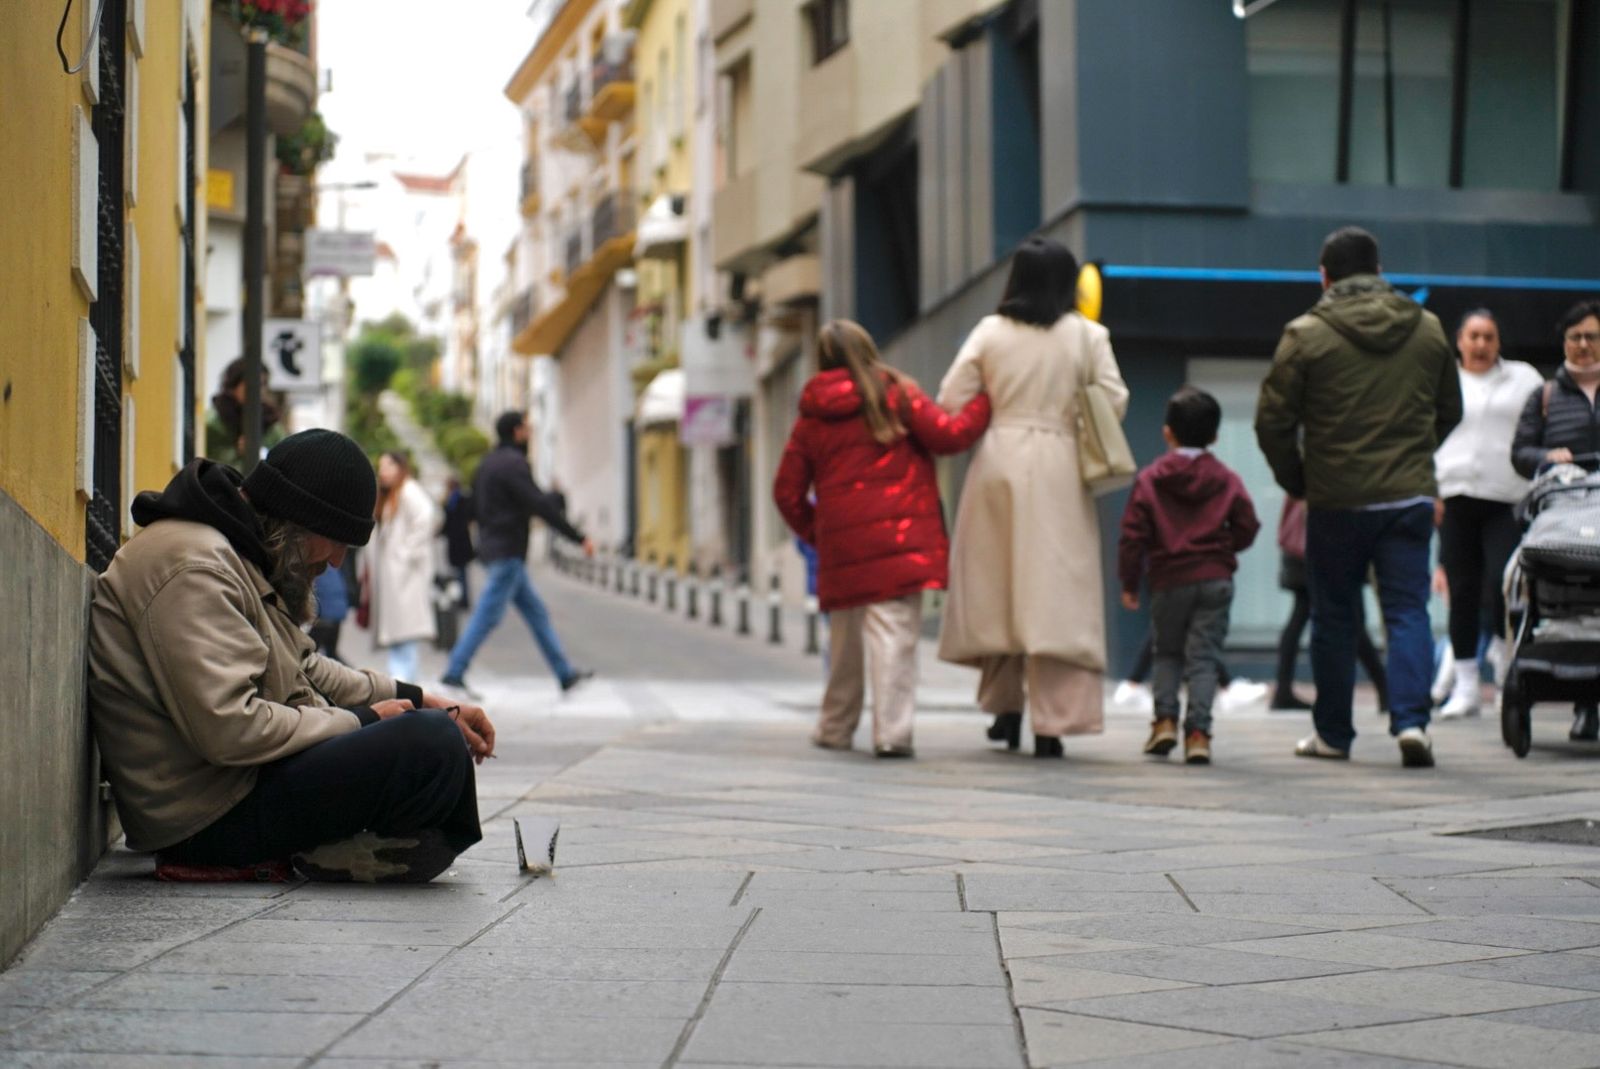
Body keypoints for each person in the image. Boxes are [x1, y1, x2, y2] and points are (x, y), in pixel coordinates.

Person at [87, 429, 495, 883]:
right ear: (300, 518)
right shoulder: (195, 566)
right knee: (430, 743)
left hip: (236, 789)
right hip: (205, 822)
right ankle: (331, 850)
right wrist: (361, 721)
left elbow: (306, 667)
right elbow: (229, 728)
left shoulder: (236, 554)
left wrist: (416, 697)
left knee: (435, 732)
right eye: (337, 539)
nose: (338, 561)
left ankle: (350, 846)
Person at [1255, 226, 1460, 768]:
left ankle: (1333, 735)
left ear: (1323, 276)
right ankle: (1413, 723)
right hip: (1407, 498)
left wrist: (1299, 479)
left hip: (1336, 500)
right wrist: (1414, 458)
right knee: (1407, 611)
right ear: (1379, 268)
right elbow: (1450, 411)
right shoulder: (1429, 329)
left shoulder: (1305, 334)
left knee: (1335, 616)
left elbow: (1273, 421)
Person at [937, 236, 1129, 758]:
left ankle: (1005, 709)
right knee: (1056, 594)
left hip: (999, 460)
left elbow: (951, 397)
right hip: (1061, 465)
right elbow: (1114, 400)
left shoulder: (990, 332)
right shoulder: (1087, 336)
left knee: (999, 588)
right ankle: (1053, 722)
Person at [773, 319, 991, 758]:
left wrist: (817, 532)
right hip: (900, 540)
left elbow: (786, 491)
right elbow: (950, 436)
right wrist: (986, 401)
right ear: (869, 350)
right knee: (893, 639)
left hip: (843, 547)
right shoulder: (899, 396)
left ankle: (835, 726)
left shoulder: (811, 416)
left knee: (845, 644)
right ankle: (891, 733)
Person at [1117, 387, 1260, 765]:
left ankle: (1164, 722)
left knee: (1167, 652)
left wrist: (1130, 582)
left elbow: (1133, 534)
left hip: (1167, 579)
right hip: (1215, 578)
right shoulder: (1225, 478)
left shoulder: (1151, 479)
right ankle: (1198, 733)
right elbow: (1248, 523)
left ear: (1168, 432)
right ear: (1214, 436)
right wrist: (1225, 550)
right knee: (1204, 658)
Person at [1433, 309, 1543, 719]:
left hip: (1506, 497)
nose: (1480, 344)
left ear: (1498, 343)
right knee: (1460, 592)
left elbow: (1539, 428)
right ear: (1459, 340)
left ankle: (1502, 655)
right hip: (1455, 495)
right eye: (1473, 336)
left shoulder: (1524, 378)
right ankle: (1464, 686)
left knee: (1502, 581)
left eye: (1488, 337)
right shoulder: (1443, 379)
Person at [441, 411, 594, 696]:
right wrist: (578, 536)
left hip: (494, 548)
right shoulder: (513, 465)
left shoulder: (487, 464)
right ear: (516, 431)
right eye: (526, 428)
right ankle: (454, 671)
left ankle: (565, 674)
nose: (531, 432)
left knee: (536, 613)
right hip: (507, 551)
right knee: (487, 614)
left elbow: (474, 508)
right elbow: (539, 504)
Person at [1509, 299, 1600, 740]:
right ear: (1565, 342)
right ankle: (1583, 703)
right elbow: (1520, 453)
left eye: (1592, 337)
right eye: (1576, 337)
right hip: (1565, 514)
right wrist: (1547, 457)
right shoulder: (1545, 395)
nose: (1584, 345)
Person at [1270, 496, 1389, 712]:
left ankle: (1284, 689)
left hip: (1311, 546)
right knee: (1350, 617)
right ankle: (1383, 687)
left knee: (1304, 616)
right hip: (1321, 544)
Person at [369, 451, 438, 683]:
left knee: (404, 635)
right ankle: (403, 684)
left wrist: (405, 554)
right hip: (397, 576)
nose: (383, 472)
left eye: (388, 465)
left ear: (400, 467)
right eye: (381, 466)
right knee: (401, 636)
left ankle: (402, 686)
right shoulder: (395, 493)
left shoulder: (409, 491)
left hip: (405, 576)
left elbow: (427, 518)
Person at [204, 357, 286, 469]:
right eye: (252, 383)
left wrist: (261, 453)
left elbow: (283, 462)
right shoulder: (212, 423)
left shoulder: (271, 424)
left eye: (263, 384)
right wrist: (237, 452)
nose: (259, 390)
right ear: (234, 385)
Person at [441, 474, 476, 609]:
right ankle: (460, 597)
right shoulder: (453, 499)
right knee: (459, 573)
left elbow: (452, 521)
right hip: (457, 541)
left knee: (460, 573)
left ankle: (462, 598)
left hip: (459, 541)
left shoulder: (458, 499)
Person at [309, 559, 351, 662]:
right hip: (337, 613)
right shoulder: (332, 564)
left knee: (306, 655)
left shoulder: (316, 565)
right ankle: (355, 674)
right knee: (331, 653)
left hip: (325, 614)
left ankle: (355, 675)